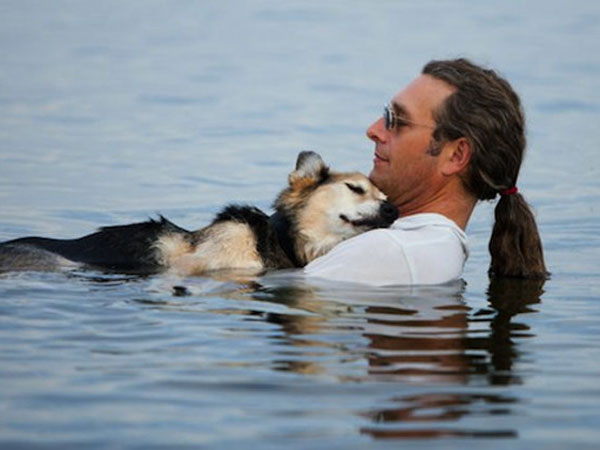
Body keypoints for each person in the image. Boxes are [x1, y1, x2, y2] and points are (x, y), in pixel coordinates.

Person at [304, 58, 548, 286]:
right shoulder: (432, 247)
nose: (373, 130)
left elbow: (294, 300)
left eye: (397, 121)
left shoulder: (392, 251)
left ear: (456, 155)